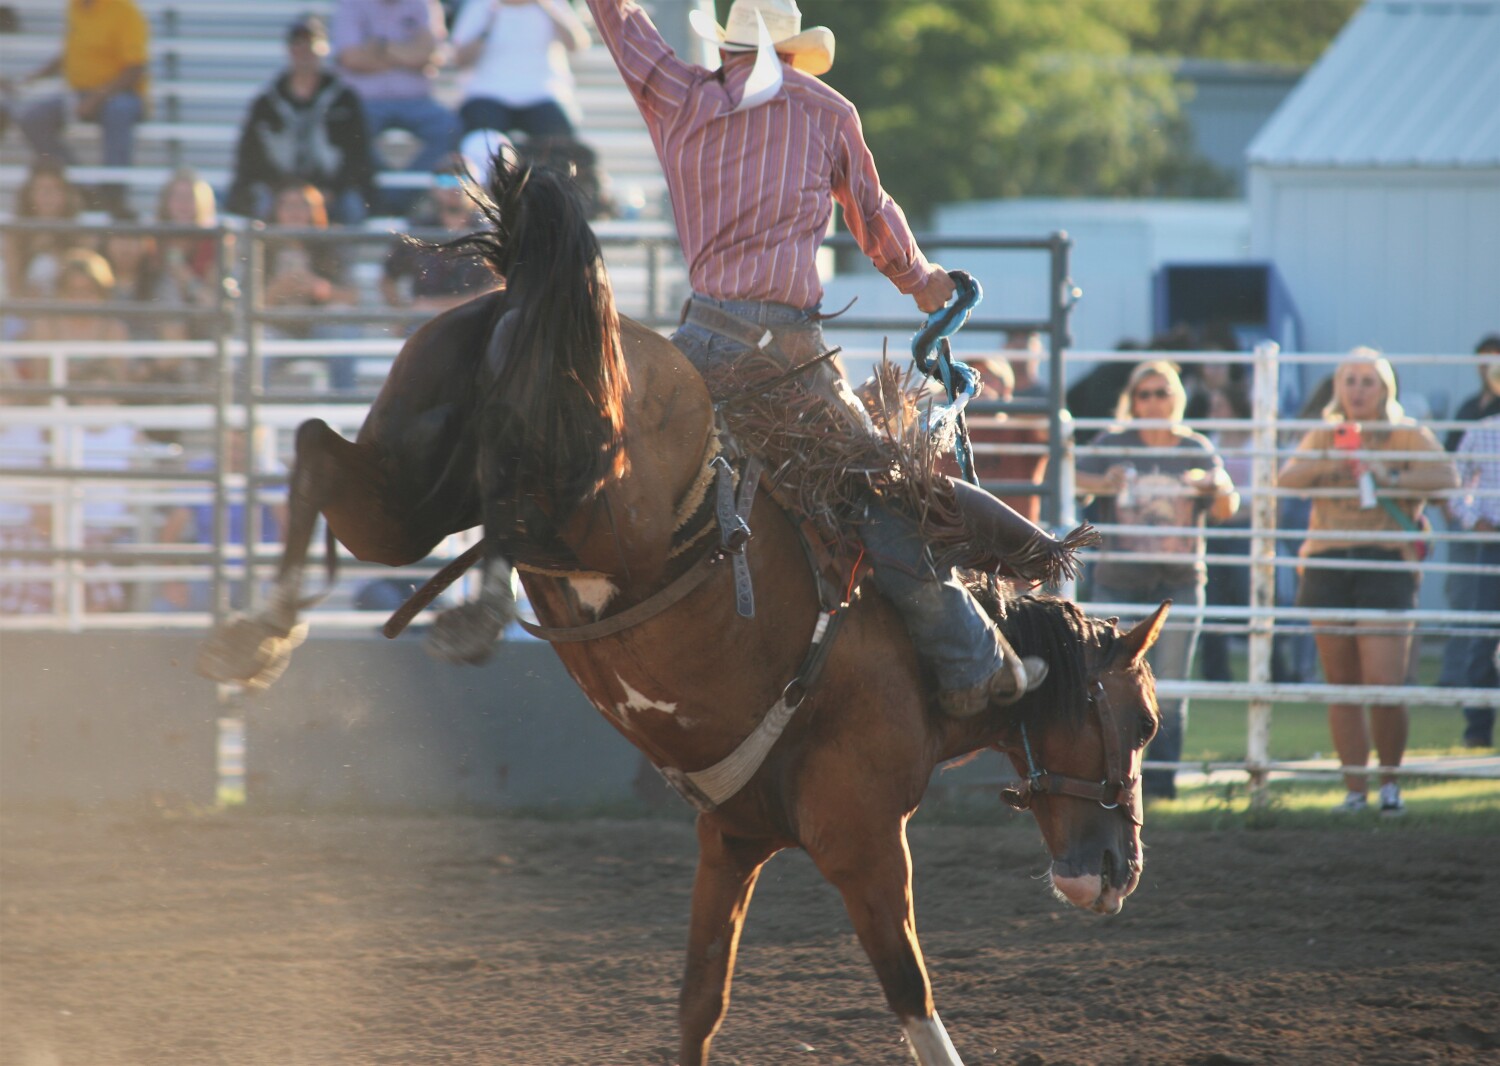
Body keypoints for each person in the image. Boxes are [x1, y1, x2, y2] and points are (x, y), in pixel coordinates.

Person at [585, 0, 1095, 717]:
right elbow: (875, 216)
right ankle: (970, 662)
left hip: (696, 346)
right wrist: (927, 287)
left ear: (728, 48)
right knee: (880, 490)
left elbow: (623, 26)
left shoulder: (679, 94)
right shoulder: (826, 110)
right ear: (793, 51)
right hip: (786, 359)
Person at [1278, 349, 1460, 815]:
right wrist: (1331, 466)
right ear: (1339, 387)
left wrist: (1388, 474)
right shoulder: (1324, 433)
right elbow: (1287, 479)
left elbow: (1446, 478)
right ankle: (1355, 790)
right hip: (1328, 560)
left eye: (1368, 381)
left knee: (1383, 682)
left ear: (1386, 389)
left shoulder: (1407, 434)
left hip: (1386, 561)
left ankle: (1391, 785)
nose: (1358, 390)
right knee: (1342, 683)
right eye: (1350, 380)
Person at [1074, 360, 1239, 798]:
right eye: (1143, 394)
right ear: (1133, 399)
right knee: (1108, 684)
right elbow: (1072, 478)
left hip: (1177, 582)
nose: (1152, 401)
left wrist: (1213, 485)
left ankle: (1162, 784)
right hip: (1118, 579)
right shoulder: (1113, 442)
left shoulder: (1195, 447)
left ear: (1177, 398)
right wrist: (1103, 481)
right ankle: (1113, 779)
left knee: (1170, 686)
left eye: (1161, 393)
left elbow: (1227, 506)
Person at [226, 15, 375, 226]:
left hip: (331, 192)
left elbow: (358, 155)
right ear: (289, 50)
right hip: (278, 192)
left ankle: (338, 259)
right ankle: (269, 257)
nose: (304, 51)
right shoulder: (267, 103)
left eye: (311, 44)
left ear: (324, 49)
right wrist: (283, 193)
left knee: (353, 206)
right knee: (257, 206)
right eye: (298, 44)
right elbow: (250, 157)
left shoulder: (344, 101)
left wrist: (329, 192)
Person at [2, 0, 148, 212]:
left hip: (121, 93)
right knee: (32, 118)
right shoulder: (75, 7)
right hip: (81, 93)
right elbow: (71, 54)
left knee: (118, 111)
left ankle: (114, 194)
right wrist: (31, 78)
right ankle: (80, 186)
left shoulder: (125, 10)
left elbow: (135, 67)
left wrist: (96, 98)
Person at [330, 0, 461, 214]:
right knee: (349, 131)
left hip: (417, 100)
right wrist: (408, 54)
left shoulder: (423, 4)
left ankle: (403, 198)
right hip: (364, 102)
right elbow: (351, 58)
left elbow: (430, 54)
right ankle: (377, 197)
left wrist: (380, 48)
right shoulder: (352, 4)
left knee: (449, 127)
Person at [262, 182, 360, 391]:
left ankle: (343, 405)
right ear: (276, 210)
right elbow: (248, 305)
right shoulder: (261, 244)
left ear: (316, 211)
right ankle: (250, 418)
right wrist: (277, 290)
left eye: (302, 206)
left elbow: (352, 296)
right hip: (277, 328)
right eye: (287, 205)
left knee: (342, 324)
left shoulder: (332, 241)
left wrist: (319, 288)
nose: (294, 213)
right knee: (256, 341)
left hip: (320, 325)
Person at [450, 0, 590, 144]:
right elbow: (460, 60)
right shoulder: (480, 6)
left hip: (542, 93)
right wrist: (487, 27)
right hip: (488, 93)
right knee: (479, 142)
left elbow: (577, 45)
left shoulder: (553, 4)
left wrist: (549, 10)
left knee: (561, 147)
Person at [1445, 394, 1500, 749]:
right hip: (1493, 546)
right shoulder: (1483, 433)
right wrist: (1473, 520)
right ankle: (1477, 731)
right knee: (1482, 639)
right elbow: (1453, 487)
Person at [380, 165, 499, 317]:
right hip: (425, 323)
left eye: (463, 180)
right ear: (434, 188)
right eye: (445, 181)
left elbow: (499, 288)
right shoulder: (418, 232)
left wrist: (438, 305)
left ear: (477, 187)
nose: (454, 188)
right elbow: (388, 278)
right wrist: (402, 313)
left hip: (475, 320)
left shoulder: (489, 234)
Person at [968, 357, 1048, 526]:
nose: (978, 386)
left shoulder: (1022, 430)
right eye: (971, 379)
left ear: (1006, 388)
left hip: (1014, 540)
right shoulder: (947, 431)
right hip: (960, 539)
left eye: (987, 379)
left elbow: (1050, 429)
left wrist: (1001, 406)